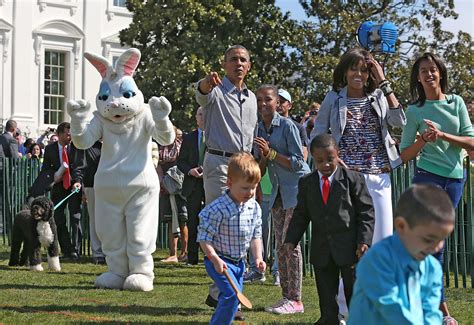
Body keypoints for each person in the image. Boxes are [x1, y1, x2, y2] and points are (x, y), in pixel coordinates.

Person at [311, 47, 406, 319]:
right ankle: (343, 310)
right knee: (347, 246)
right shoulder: (334, 98)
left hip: (379, 177)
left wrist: (384, 81)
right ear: (344, 71)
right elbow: (318, 134)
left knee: (382, 242)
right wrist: (331, 159)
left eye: (364, 69)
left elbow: (399, 122)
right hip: (347, 178)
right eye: (354, 68)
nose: (359, 74)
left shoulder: (378, 96)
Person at [399, 52, 474, 325]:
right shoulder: (415, 110)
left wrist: (442, 135)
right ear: (417, 78)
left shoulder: (456, 103)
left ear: (440, 73)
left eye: (433, 69)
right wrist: (423, 140)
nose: (429, 74)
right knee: (434, 243)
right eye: (423, 71)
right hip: (427, 178)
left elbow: (471, 142)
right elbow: (404, 154)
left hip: (454, 180)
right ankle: (440, 309)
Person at [195, 44, 258, 321]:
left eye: (243, 60)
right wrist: (205, 83)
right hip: (220, 164)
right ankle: (228, 295)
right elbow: (200, 94)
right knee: (218, 227)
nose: (238, 63)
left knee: (242, 228)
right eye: (233, 59)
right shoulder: (216, 92)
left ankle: (222, 292)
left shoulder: (253, 98)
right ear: (224, 64)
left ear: (250, 66)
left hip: (244, 166)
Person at [285, 134, 374, 325]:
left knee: (354, 290)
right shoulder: (307, 183)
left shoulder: (353, 179)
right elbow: (301, 214)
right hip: (322, 248)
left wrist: (364, 240)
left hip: (350, 248)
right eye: (319, 161)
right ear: (313, 159)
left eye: (330, 159)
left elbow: (366, 212)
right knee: (326, 292)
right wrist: (291, 240)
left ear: (338, 155)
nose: (325, 164)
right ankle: (329, 319)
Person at [348, 184, 456, 324]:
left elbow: (430, 311)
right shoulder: (376, 260)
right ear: (401, 226)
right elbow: (391, 307)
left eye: (442, 239)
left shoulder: (432, 269)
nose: (436, 247)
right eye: (428, 239)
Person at [254, 84, 310, 315]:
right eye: (259, 100)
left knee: (291, 245)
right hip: (277, 192)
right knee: (280, 247)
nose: (263, 104)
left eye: (267, 99)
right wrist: (265, 158)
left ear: (277, 103)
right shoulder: (257, 128)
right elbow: (262, 165)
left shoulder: (287, 126)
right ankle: (286, 296)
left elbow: (299, 162)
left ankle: (296, 300)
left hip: (296, 190)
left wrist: (272, 153)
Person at [197, 152, 265, 325]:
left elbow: (256, 236)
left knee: (232, 301)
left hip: (239, 264)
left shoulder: (254, 208)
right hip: (219, 261)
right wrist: (214, 259)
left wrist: (258, 258)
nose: (250, 192)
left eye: (254, 187)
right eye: (245, 188)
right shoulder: (217, 209)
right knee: (232, 297)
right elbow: (204, 238)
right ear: (229, 183)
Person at [38, 122, 85, 260]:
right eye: (67, 134)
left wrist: (77, 182)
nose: (70, 136)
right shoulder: (50, 149)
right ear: (58, 135)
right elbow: (46, 168)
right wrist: (54, 177)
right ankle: (67, 249)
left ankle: (76, 251)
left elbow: (79, 167)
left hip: (73, 188)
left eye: (71, 134)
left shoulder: (77, 147)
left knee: (75, 218)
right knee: (58, 218)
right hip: (58, 188)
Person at [177, 107, 206, 265]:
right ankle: (192, 258)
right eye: (200, 114)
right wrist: (190, 171)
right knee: (193, 221)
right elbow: (180, 161)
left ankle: (210, 257)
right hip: (193, 184)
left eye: (205, 114)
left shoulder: (216, 138)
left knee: (210, 221)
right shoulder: (189, 138)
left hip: (210, 184)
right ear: (196, 118)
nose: (203, 117)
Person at [157, 127, 188, 263]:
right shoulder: (159, 146)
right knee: (170, 220)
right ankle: (172, 253)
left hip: (179, 185)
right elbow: (157, 164)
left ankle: (185, 252)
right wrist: (161, 182)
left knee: (183, 219)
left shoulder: (182, 145)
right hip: (164, 185)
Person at [80, 140, 105, 264]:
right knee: (95, 219)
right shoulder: (89, 145)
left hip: (110, 186)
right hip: (92, 185)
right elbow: (83, 167)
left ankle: (109, 251)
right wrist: (83, 189)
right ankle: (98, 252)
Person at [277, 88, 309, 161]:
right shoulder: (265, 126)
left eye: (282, 102)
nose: (278, 105)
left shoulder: (298, 127)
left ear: (290, 105)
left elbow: (303, 158)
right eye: (276, 102)